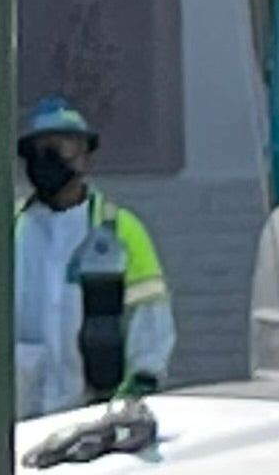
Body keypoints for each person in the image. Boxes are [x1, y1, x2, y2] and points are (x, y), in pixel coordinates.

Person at [12, 95, 172, 416]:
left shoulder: (119, 231)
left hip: (95, 414)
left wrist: (142, 381)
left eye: (63, 148)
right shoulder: (10, 230)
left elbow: (150, 314)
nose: (49, 159)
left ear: (85, 157)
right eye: (40, 150)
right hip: (22, 416)